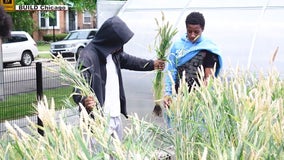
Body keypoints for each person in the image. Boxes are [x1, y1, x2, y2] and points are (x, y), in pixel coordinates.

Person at [73, 16, 165, 141]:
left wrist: (152, 64)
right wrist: (84, 100)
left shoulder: (113, 54)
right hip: (99, 120)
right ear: (109, 40)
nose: (120, 47)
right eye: (118, 43)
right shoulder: (88, 57)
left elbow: (131, 61)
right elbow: (77, 87)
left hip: (115, 115)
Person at [163, 12, 223, 128]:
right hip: (178, 97)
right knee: (177, 131)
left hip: (198, 99)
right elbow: (171, 70)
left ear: (203, 29)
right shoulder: (178, 46)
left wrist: (199, 99)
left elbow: (208, 78)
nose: (192, 35)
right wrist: (168, 93)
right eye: (189, 31)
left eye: (196, 32)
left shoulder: (208, 48)